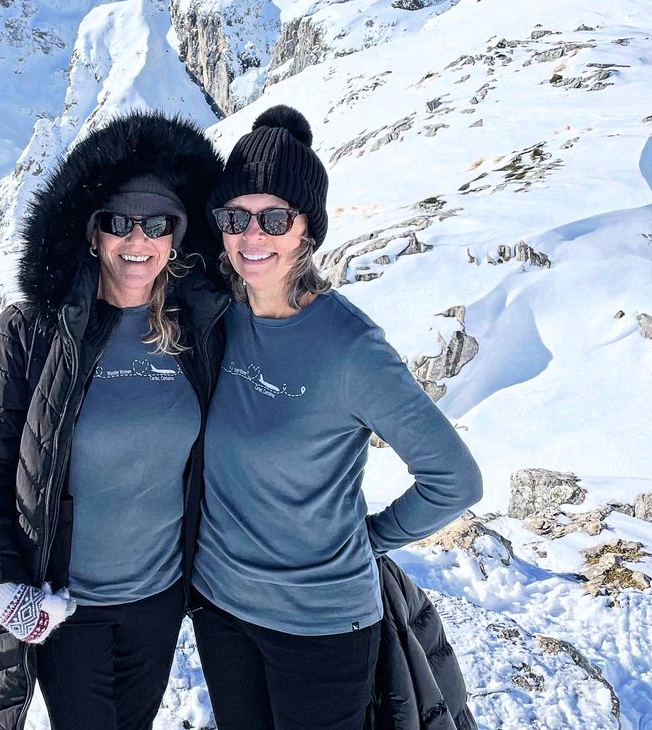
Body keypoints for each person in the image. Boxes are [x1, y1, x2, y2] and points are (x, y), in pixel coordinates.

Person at [190, 104, 483, 730]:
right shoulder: (221, 319)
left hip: (318, 626)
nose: (252, 236)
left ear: (307, 231)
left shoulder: (352, 348)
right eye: (235, 217)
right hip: (219, 606)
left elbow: (454, 480)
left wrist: (367, 540)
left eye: (274, 218)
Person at [0, 111, 228, 730]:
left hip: (158, 602)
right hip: (65, 608)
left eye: (157, 224)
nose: (138, 240)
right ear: (92, 233)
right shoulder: (32, 334)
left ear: (178, 237)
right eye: (118, 222)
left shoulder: (201, 332)